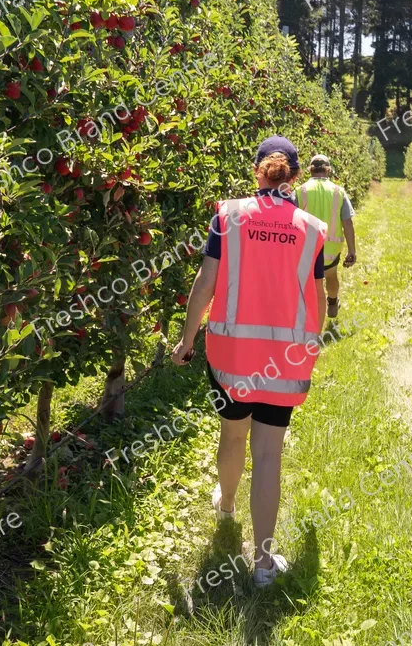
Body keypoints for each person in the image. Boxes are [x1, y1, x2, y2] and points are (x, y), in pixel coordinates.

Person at [170, 135, 328, 588]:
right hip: (285, 361)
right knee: (269, 454)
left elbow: (205, 283)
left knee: (232, 435)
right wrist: (311, 347)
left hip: (232, 355)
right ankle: (262, 564)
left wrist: (186, 340)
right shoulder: (311, 227)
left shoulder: (229, 216)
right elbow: (316, 297)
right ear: (294, 177)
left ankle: (225, 505)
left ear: (256, 170)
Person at [296, 154, 357, 323]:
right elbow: (347, 222)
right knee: (331, 276)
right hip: (331, 248)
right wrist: (352, 250)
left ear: (310, 169)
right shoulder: (338, 191)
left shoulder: (300, 191)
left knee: (307, 281)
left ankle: (307, 313)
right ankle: (331, 302)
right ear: (328, 170)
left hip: (306, 248)